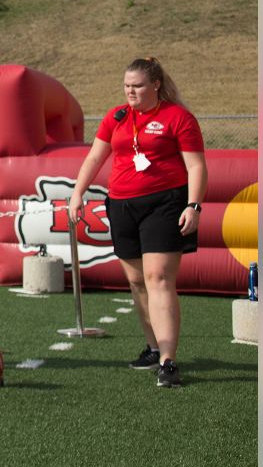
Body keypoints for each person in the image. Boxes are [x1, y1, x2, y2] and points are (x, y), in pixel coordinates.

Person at [67, 57, 207, 388]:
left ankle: (168, 360)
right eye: (127, 85)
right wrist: (77, 194)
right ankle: (153, 346)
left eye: (138, 85)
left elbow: (197, 167)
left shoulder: (178, 117)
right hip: (121, 205)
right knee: (136, 281)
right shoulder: (116, 117)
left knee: (158, 277)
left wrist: (194, 205)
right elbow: (94, 158)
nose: (131, 91)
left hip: (165, 203)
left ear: (155, 85)